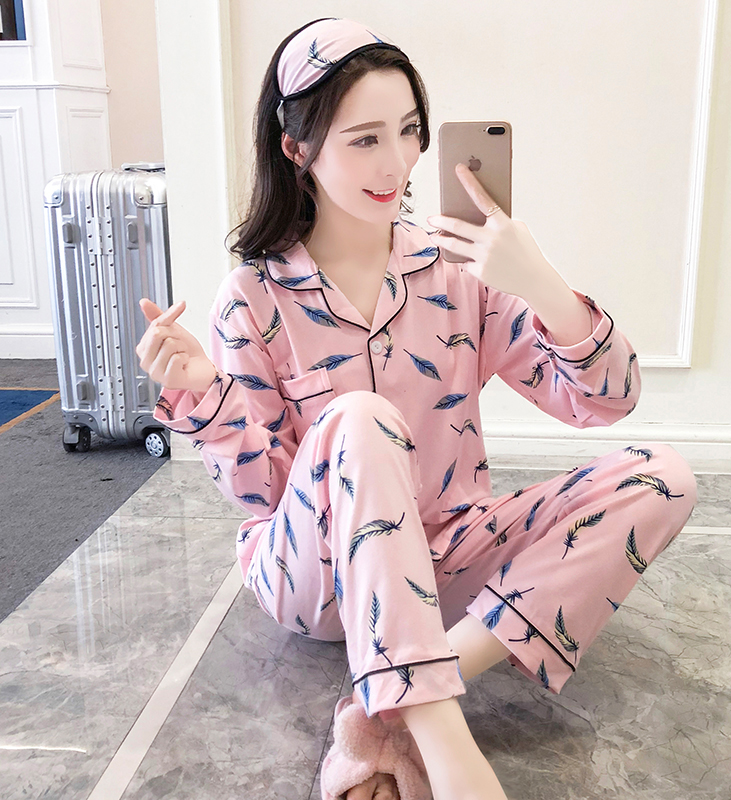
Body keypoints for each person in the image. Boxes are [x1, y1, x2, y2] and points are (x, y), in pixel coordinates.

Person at [135, 17, 698, 800]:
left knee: (665, 477)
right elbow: (263, 495)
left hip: (448, 557)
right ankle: (441, 734)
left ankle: (391, 703)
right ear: (297, 148)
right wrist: (206, 395)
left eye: (408, 131)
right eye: (365, 139)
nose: (397, 162)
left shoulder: (457, 271)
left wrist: (541, 284)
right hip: (319, 582)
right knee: (359, 418)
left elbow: (608, 398)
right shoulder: (251, 298)